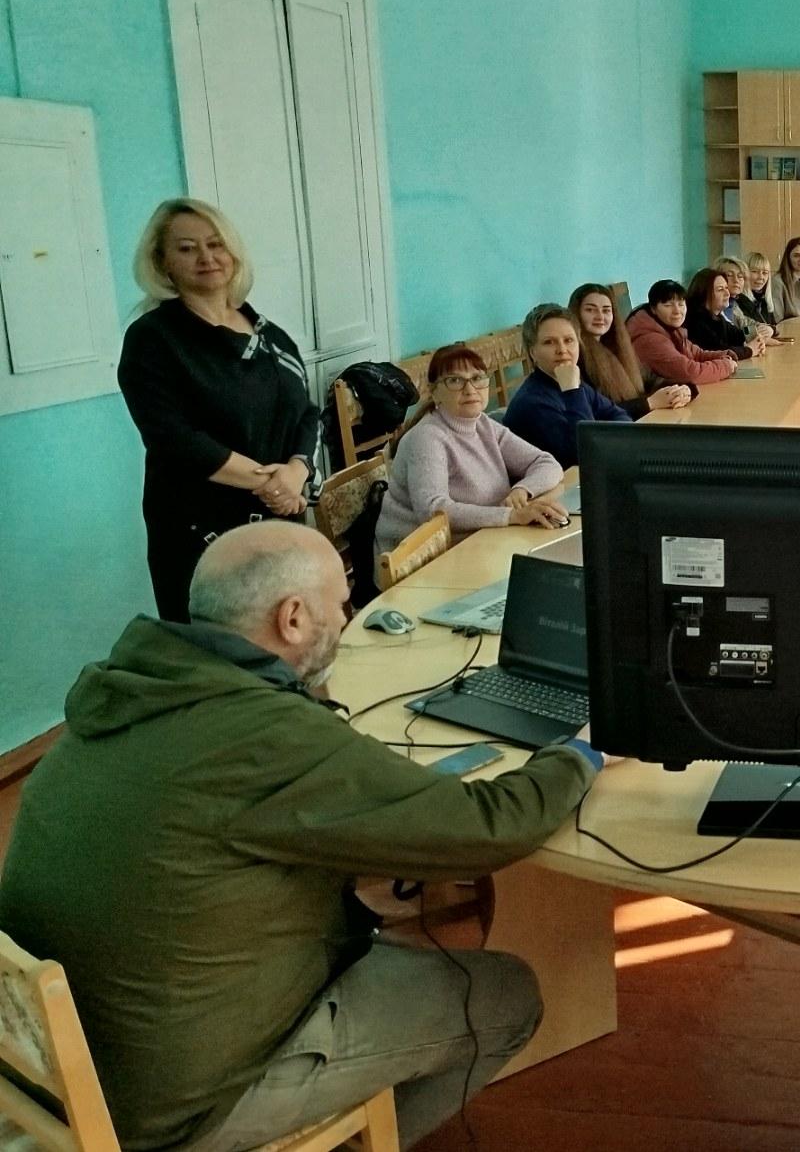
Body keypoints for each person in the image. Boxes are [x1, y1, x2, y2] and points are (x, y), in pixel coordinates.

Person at [0, 522, 603, 1151]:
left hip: (60, 1064)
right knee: (505, 997)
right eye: (339, 604)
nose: (347, 616)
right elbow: (486, 828)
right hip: (173, 1107)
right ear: (292, 619)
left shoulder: (134, 688)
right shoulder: (262, 735)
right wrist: (582, 753)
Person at [117, 198, 325, 621]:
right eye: (187, 248)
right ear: (162, 262)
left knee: (288, 637)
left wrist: (297, 471)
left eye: (215, 244)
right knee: (219, 647)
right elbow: (174, 438)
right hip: (200, 533)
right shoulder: (153, 339)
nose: (206, 257)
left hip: (280, 522)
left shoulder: (272, 337)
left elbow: (306, 413)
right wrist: (271, 484)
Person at [376, 343, 566, 553]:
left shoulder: (483, 424)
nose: (469, 389)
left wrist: (522, 489)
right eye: (455, 381)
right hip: (422, 559)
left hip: (482, 541)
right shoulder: (427, 437)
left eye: (477, 378)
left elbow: (546, 463)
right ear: (434, 392)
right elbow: (432, 511)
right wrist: (511, 516)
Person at [502, 303, 632, 466]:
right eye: (549, 342)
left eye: (569, 340)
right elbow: (582, 455)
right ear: (533, 353)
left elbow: (619, 416)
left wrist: (604, 442)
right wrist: (572, 392)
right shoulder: (532, 402)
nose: (562, 350)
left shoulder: (570, 381)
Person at [568, 282, 691, 418]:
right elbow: (593, 415)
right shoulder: (574, 357)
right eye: (590, 310)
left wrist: (682, 390)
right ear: (576, 313)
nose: (600, 317)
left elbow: (651, 379)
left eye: (606, 310)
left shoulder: (617, 347)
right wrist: (649, 403)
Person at [627, 278, 740, 386]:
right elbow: (690, 373)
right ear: (653, 309)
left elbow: (697, 354)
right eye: (668, 305)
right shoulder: (649, 339)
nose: (677, 311)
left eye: (681, 304)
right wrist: (726, 366)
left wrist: (724, 355)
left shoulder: (670, 328)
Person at [686, 267, 768, 360]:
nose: (727, 294)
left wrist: (756, 336)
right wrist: (749, 350)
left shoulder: (717, 317)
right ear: (703, 293)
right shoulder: (695, 321)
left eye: (726, 288)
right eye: (720, 289)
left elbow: (739, 333)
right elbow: (719, 351)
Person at [714, 256, 774, 343]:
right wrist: (755, 335)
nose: (736, 280)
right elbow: (730, 337)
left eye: (740, 276)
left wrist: (769, 329)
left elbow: (746, 325)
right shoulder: (714, 306)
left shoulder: (733, 304)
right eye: (729, 275)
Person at [739, 252, 782, 335]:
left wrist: (772, 329)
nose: (761, 277)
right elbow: (744, 332)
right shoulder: (739, 300)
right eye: (755, 271)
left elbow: (775, 326)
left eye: (765, 273)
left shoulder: (763, 300)